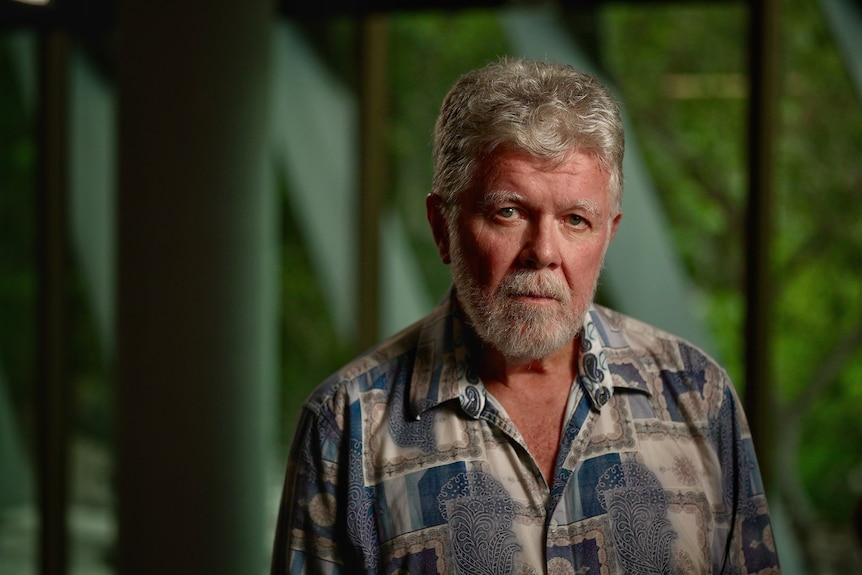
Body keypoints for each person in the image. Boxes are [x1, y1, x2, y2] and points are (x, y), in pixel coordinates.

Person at [271, 56, 781, 574]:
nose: (543, 251)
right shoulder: (346, 427)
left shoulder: (698, 395)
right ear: (441, 227)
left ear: (609, 235)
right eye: (508, 212)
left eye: (576, 220)